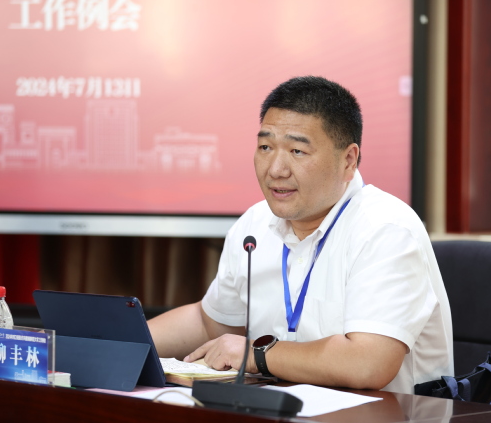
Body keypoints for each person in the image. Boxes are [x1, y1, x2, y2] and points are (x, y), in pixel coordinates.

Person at [148, 76, 453, 393]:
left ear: (348, 160)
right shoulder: (254, 224)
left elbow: (368, 363)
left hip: (387, 413)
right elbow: (209, 321)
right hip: (279, 409)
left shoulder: (385, 227)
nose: (276, 169)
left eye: (297, 151)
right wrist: (123, 340)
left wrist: (256, 354)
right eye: (266, 147)